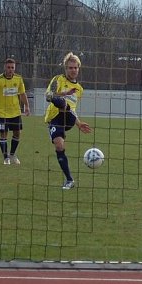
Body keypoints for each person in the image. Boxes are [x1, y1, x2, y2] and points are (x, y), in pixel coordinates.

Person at [44, 52, 93, 190]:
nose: (73, 70)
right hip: (54, 118)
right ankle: (69, 180)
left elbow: (73, 108)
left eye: (75, 68)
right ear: (66, 68)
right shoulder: (58, 79)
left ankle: (64, 106)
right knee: (59, 146)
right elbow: (48, 96)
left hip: (68, 118)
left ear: (79, 69)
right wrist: (64, 94)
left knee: (66, 105)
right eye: (70, 67)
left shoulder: (79, 89)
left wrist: (79, 123)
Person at [0, 57, 31, 165]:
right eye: (8, 67)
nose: (10, 69)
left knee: (17, 133)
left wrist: (26, 106)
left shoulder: (18, 79)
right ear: (5, 67)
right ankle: (5, 158)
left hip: (15, 112)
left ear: (14, 68)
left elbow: (22, 94)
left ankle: (12, 155)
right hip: (3, 113)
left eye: (12, 67)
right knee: (3, 134)